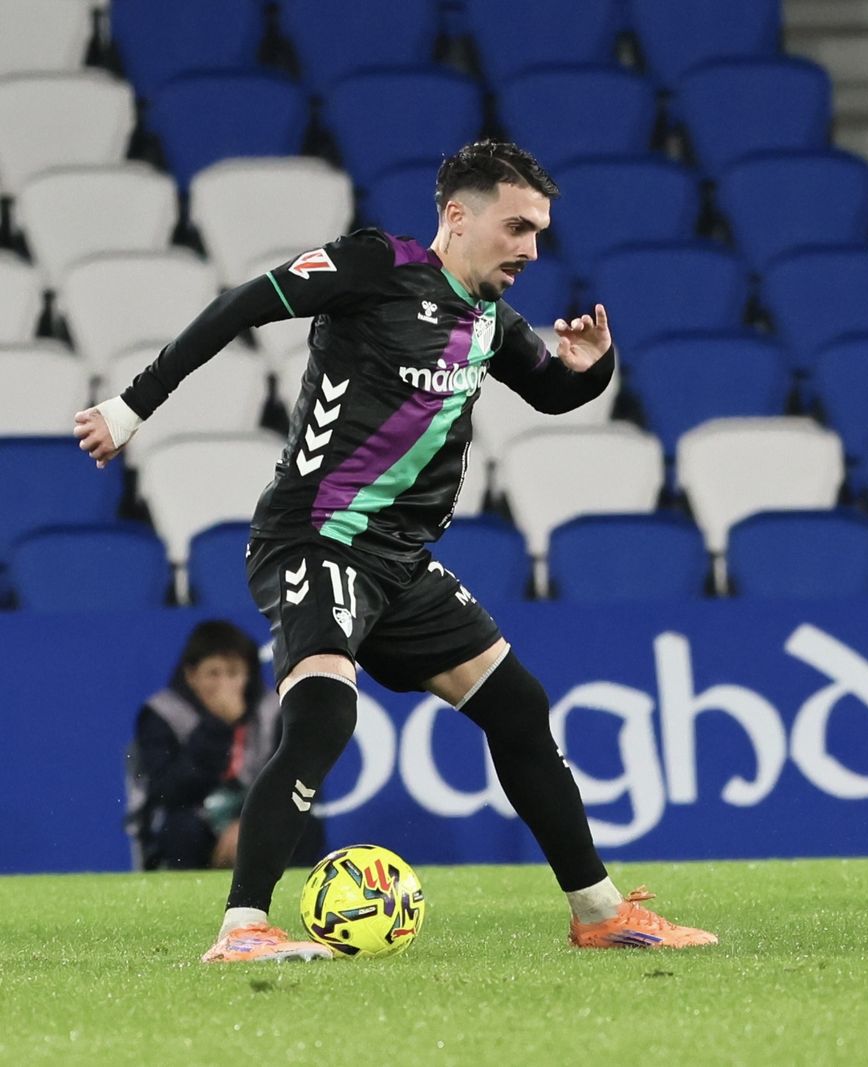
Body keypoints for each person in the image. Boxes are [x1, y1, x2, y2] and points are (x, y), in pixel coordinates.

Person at [76, 139, 717, 961]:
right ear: (458, 214)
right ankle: (242, 929)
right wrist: (132, 408)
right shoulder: (375, 266)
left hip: (398, 561)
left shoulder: (488, 319)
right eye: (517, 227)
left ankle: (600, 914)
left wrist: (592, 371)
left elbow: (554, 390)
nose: (531, 249)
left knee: (518, 707)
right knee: (325, 710)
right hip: (317, 533)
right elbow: (242, 303)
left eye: (539, 232)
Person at [125, 619, 326, 871]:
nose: (224, 685)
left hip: (257, 817)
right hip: (193, 818)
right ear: (191, 675)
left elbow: (297, 784)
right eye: (213, 673)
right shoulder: (162, 713)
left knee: (305, 826)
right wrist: (217, 728)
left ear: (248, 675)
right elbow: (167, 790)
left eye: (233, 673)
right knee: (181, 828)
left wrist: (248, 823)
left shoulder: (275, 712)